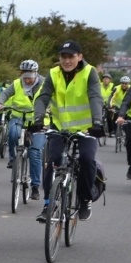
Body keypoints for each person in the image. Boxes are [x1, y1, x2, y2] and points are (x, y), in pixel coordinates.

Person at [33, 40, 104, 222]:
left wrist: (97, 122)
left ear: (79, 57)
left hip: (86, 128)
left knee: (87, 160)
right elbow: (42, 97)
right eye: (63, 56)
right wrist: (39, 118)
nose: (67, 60)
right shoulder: (53, 73)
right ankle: (49, 203)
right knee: (52, 161)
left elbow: (95, 96)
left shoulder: (90, 73)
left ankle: (85, 199)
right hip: (60, 126)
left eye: (71, 56)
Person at [0, 59, 46, 200]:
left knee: (35, 153)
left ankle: (35, 186)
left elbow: (54, 98)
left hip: (38, 121)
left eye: (30, 78)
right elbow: (5, 93)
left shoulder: (44, 84)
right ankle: (13, 158)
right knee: (12, 133)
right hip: (18, 116)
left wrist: (50, 109)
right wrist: (0, 103)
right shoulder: (17, 83)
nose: (28, 81)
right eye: (25, 77)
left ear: (36, 74)